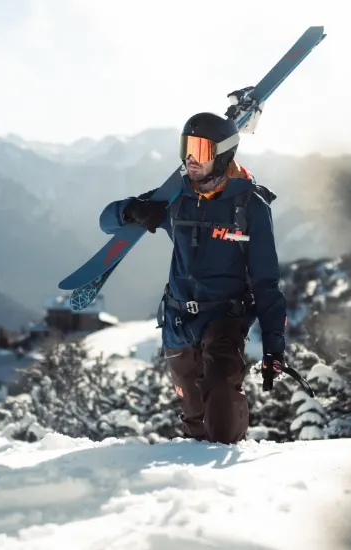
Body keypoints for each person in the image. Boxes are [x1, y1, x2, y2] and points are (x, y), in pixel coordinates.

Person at [98, 111, 288, 444]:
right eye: (186, 148)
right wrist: (133, 211)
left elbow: (267, 281)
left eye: (200, 151)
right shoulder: (176, 197)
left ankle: (232, 456)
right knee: (195, 420)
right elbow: (106, 221)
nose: (190, 160)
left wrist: (274, 346)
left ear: (223, 153)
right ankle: (194, 485)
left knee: (222, 419)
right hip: (177, 321)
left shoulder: (250, 206)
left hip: (224, 318)